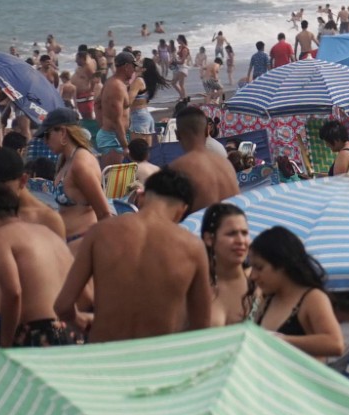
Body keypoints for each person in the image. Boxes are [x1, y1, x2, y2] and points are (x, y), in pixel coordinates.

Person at [53, 169, 212, 341]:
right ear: (182, 210)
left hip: (105, 348)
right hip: (157, 352)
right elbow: (202, 323)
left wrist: (80, 321)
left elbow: (63, 306)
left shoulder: (99, 233)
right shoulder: (193, 247)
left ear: (141, 197)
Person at [0, 183, 78, 349]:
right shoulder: (49, 235)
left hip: (34, 331)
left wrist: (5, 344)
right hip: (66, 329)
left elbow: (13, 292)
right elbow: (83, 292)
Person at [248, 227, 344, 360]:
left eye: (259, 268)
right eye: (252, 268)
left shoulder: (312, 298)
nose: (253, 276)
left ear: (282, 265)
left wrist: (283, 341)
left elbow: (336, 344)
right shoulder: (268, 298)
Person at [42, 108, 114, 239]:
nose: (45, 141)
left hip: (82, 239)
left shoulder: (80, 164)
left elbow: (104, 213)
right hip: (68, 240)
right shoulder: (64, 159)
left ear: (63, 132)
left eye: (47, 135)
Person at [167, 104, 239, 213]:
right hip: (233, 220)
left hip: (202, 223)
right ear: (207, 130)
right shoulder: (226, 164)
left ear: (177, 134)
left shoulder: (177, 169)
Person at [201, 202, 253, 326]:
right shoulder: (196, 285)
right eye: (231, 234)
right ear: (209, 239)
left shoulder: (260, 281)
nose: (241, 241)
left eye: (244, 233)